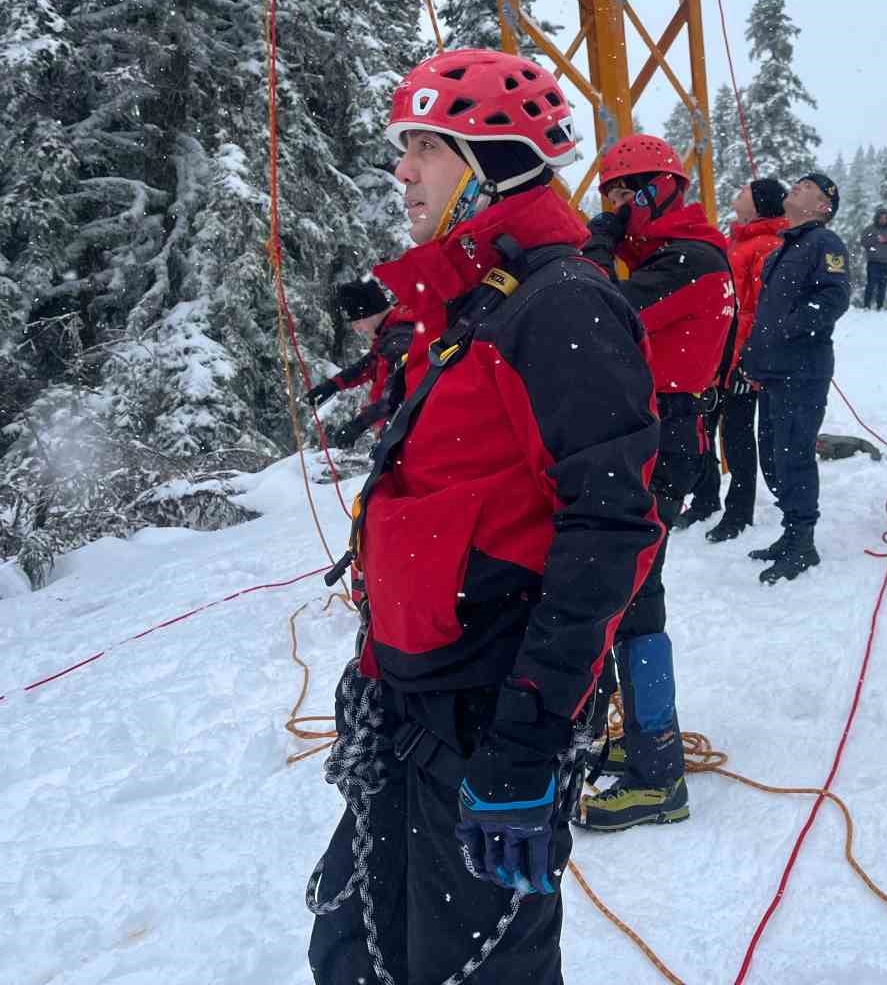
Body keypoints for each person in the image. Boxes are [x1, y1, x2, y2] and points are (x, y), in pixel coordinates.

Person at [308, 48, 662, 985]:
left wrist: (527, 741)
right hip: (412, 693)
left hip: (489, 709)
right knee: (351, 951)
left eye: (425, 147)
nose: (402, 170)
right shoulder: (470, 302)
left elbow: (610, 530)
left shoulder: (562, 306)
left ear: (493, 164)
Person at [577, 133, 734, 831]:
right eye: (610, 193)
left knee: (633, 592)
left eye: (628, 191)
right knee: (631, 590)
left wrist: (596, 243)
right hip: (650, 429)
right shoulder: (670, 254)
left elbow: (594, 311)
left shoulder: (689, 259)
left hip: (660, 434)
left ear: (660, 190)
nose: (619, 205)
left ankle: (658, 772)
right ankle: (643, 743)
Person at [742, 170, 851, 583]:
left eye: (809, 187)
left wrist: (790, 328)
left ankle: (803, 542)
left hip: (803, 370)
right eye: (799, 182)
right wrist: (754, 356)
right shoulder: (782, 249)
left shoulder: (825, 242)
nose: (798, 186)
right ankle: (790, 533)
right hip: (773, 370)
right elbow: (766, 314)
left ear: (823, 207)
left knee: (795, 455)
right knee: (774, 456)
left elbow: (834, 297)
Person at [703, 178, 788, 543]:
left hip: (741, 358)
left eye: (746, 191)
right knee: (704, 426)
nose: (738, 192)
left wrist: (748, 360)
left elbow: (762, 311)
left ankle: (739, 511)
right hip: (719, 352)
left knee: (736, 434)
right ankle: (705, 499)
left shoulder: (767, 245)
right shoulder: (736, 240)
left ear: (759, 204)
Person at [304, 279, 416, 448]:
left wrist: (359, 424)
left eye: (357, 321)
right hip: (401, 432)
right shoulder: (391, 333)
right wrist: (332, 386)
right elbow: (369, 364)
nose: (356, 329)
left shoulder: (400, 340)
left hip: (409, 434)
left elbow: (397, 395)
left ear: (372, 312)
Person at [860, 207, 887, 310]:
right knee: (871, 285)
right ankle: (866, 305)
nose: (883, 220)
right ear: (877, 218)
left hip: (886, 262)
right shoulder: (870, 229)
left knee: (883, 286)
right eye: (881, 218)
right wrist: (876, 239)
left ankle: (880, 306)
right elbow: (863, 242)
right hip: (873, 262)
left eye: (885, 218)